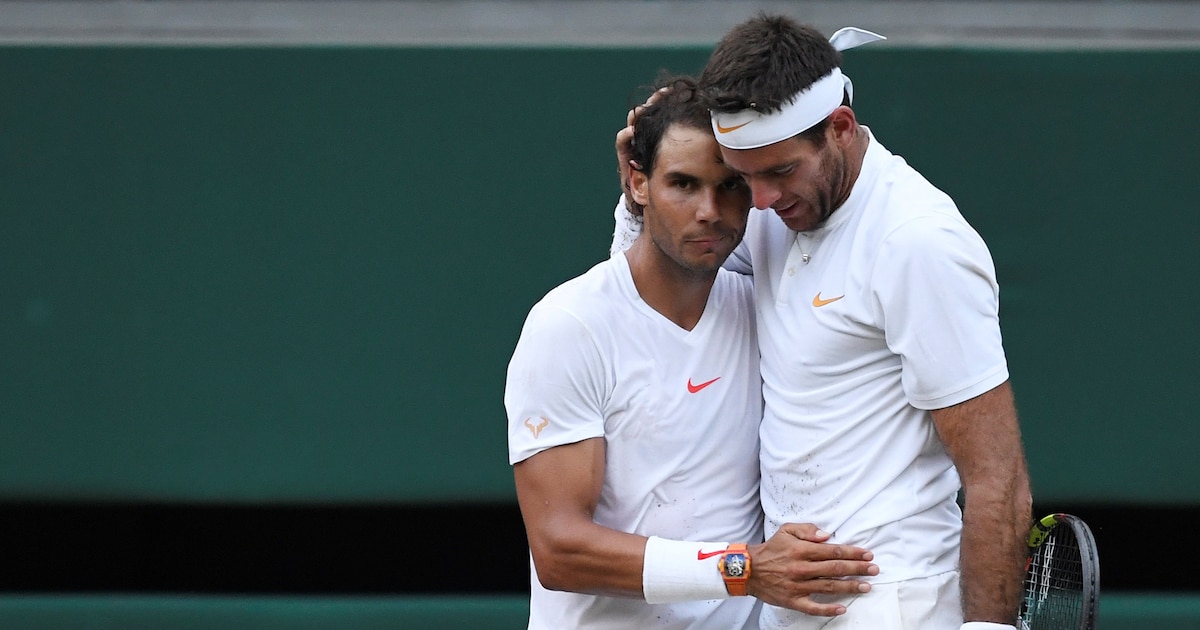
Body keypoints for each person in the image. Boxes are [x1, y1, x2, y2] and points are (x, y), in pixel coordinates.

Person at [612, 17, 1032, 630]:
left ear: (840, 128)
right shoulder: (773, 211)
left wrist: (987, 628)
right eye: (743, 176)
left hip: (898, 604)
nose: (759, 200)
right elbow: (654, 292)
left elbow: (998, 477)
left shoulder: (918, 243)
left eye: (779, 171)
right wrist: (640, 194)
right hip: (792, 606)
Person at [505, 76, 879, 630]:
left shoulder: (765, 311)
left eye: (731, 186)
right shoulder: (568, 326)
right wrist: (744, 570)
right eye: (682, 184)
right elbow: (560, 551)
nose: (709, 210)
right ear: (637, 182)